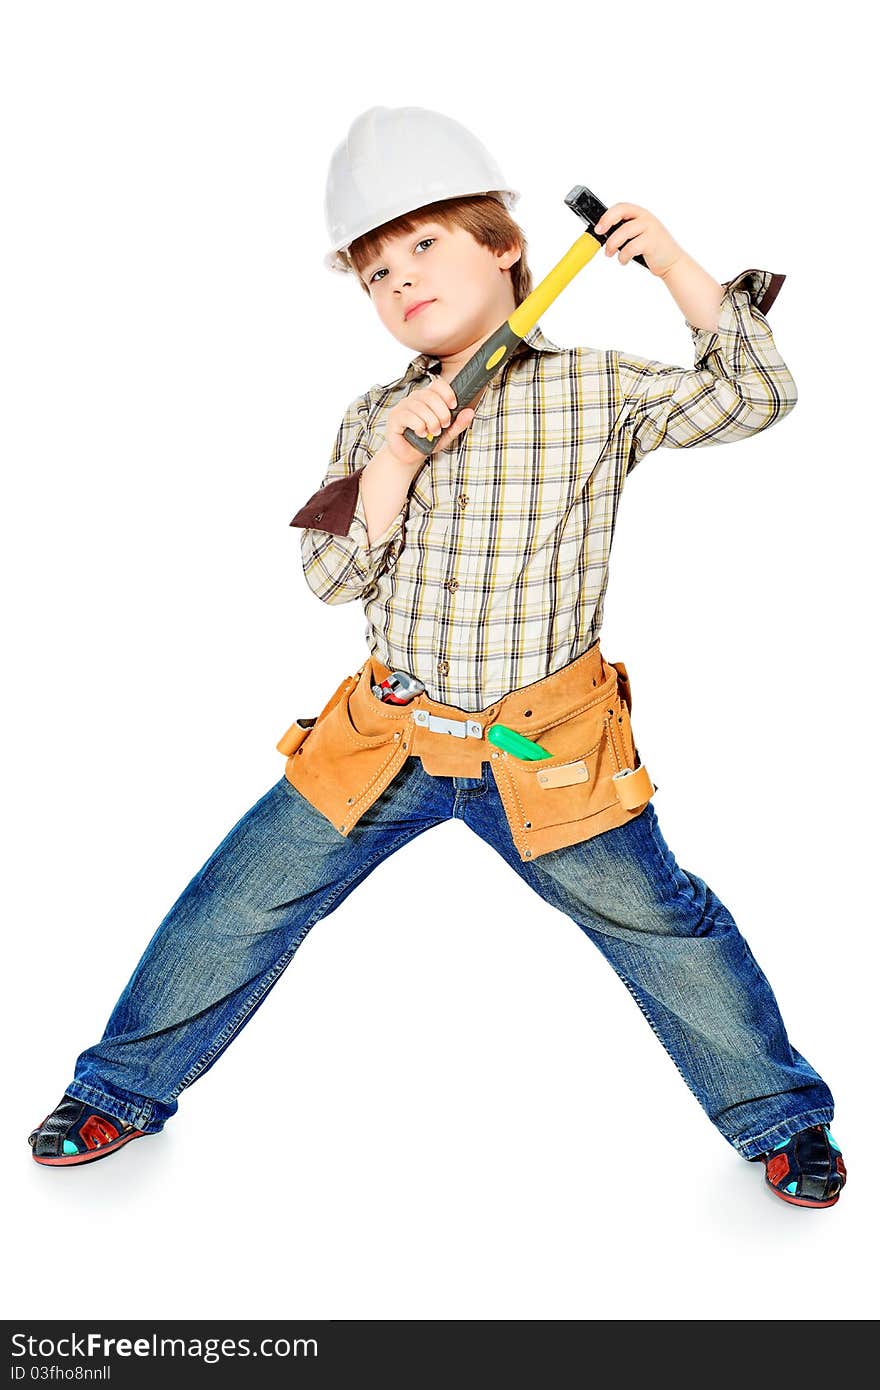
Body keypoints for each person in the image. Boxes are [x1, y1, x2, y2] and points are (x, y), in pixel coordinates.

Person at [29, 105, 846, 1210]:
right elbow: (328, 582)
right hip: (386, 736)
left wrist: (676, 270)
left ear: (506, 247)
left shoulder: (592, 387)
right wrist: (390, 470)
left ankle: (781, 1119)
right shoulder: (376, 414)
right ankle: (119, 1087)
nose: (400, 280)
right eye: (373, 272)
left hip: (540, 748)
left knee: (667, 928)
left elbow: (757, 397)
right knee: (235, 902)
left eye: (424, 244)